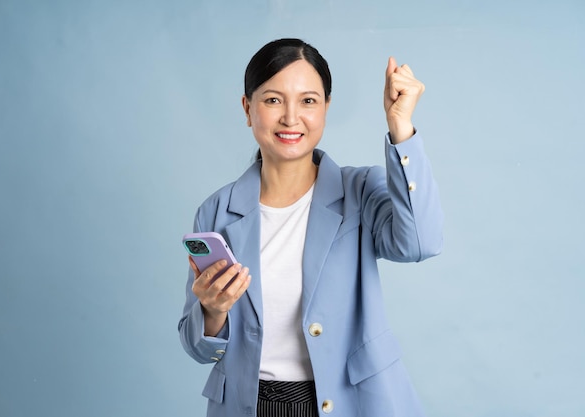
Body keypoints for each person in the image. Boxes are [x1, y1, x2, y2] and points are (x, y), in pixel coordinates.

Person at [178, 38, 443, 417]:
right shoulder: (216, 212)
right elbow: (198, 347)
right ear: (247, 108)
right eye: (272, 100)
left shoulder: (360, 191)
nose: (290, 117)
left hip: (349, 403)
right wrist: (211, 311)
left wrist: (401, 127)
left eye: (308, 101)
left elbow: (420, 242)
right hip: (248, 406)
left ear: (326, 108)